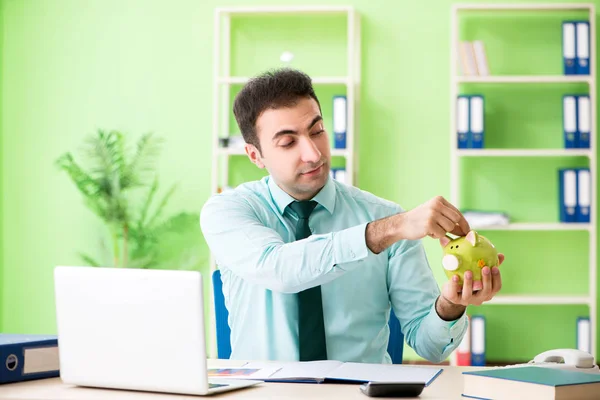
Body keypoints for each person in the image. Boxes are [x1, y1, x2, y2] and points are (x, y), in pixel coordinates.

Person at [200, 68, 504, 364]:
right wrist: (388, 231)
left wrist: (450, 305)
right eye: (288, 142)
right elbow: (281, 268)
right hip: (264, 394)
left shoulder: (384, 216)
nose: (314, 153)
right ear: (256, 155)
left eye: (317, 131)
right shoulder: (228, 212)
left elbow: (430, 347)